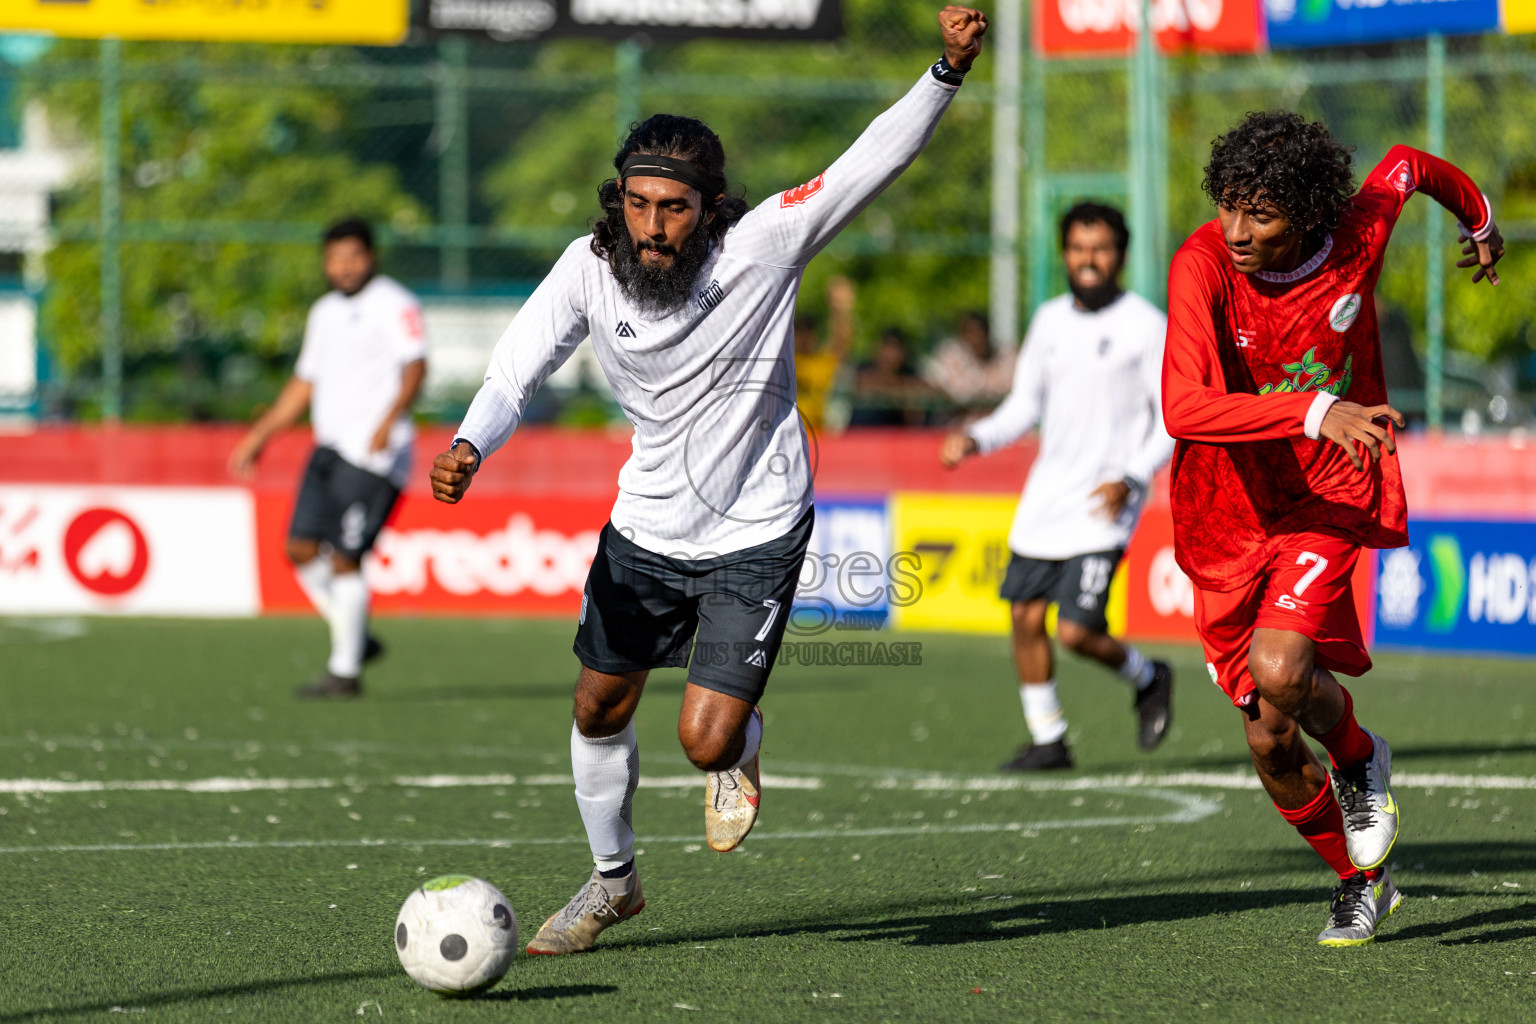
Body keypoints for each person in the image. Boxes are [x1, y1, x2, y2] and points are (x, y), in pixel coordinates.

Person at [430, 7, 990, 957]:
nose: (655, 226)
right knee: (595, 707)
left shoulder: (764, 245)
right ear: (619, 201)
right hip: (644, 529)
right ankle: (613, 885)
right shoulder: (586, 270)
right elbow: (514, 370)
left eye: (675, 207)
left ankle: (743, 749)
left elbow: (867, 163)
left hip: (756, 529)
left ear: (709, 207)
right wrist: (471, 444)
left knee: (704, 741)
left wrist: (945, 69)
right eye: (640, 204)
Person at [1162, 111, 1504, 945]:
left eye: (1262, 214)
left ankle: (1358, 759)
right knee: (1270, 741)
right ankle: (1363, 880)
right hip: (1228, 512)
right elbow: (1183, 407)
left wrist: (1481, 218)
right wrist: (1314, 407)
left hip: (1331, 491)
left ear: (1310, 214)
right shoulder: (1202, 263)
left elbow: (1408, 164)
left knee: (1282, 670)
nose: (1237, 231)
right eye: (1230, 206)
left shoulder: (1356, 234)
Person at [940, 202, 1174, 771]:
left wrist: (1132, 477)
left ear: (1121, 254)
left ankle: (1148, 676)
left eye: (1100, 248)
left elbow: (1173, 418)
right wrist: (977, 438)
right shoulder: (1049, 320)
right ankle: (1049, 738)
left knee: (1075, 629)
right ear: (1064, 252)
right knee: (1023, 616)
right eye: (1078, 247)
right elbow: (1024, 405)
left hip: (1106, 501)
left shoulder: (1146, 326)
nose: (1088, 259)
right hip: (1048, 498)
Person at [228, 218, 427, 698]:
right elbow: (304, 383)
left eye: (354, 256)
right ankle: (354, 635)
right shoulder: (323, 313)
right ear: (325, 262)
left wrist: (388, 420)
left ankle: (345, 671)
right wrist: (260, 435)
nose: (345, 266)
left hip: (376, 456)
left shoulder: (395, 303)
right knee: (298, 549)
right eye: (336, 258)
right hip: (329, 449)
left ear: (371, 257)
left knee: (344, 559)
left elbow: (416, 367)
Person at [922, 309, 1015, 417]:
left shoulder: (1006, 355)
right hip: (959, 425)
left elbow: (1013, 388)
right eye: (971, 333)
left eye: (980, 332)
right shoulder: (950, 356)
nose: (977, 338)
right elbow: (959, 392)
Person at [793, 275, 856, 432]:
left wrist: (841, 309)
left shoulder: (822, 361)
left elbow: (841, 342)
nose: (804, 338)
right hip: (789, 435)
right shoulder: (788, 360)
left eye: (807, 332)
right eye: (800, 332)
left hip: (819, 436)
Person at [849, 327, 933, 426]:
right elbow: (862, 385)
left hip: (896, 434)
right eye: (886, 347)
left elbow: (926, 390)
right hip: (861, 433)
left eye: (894, 348)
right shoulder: (864, 369)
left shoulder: (909, 373)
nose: (889, 355)